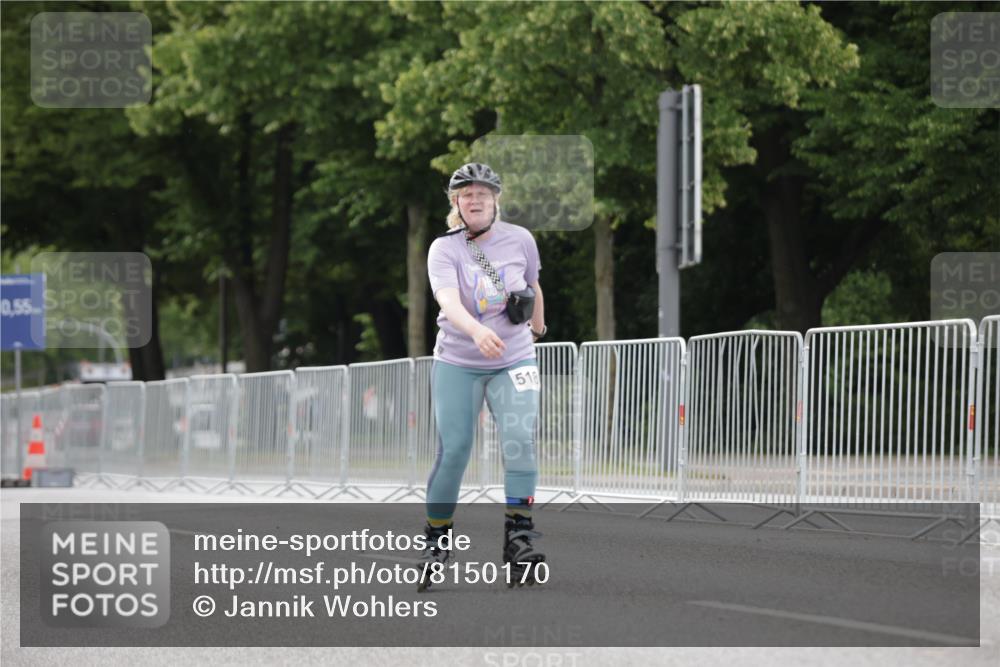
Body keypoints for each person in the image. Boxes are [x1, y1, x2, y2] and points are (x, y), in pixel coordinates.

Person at [418, 162, 547, 590]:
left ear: (496, 200)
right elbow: (449, 302)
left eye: (483, 194)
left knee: (520, 439)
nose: (475, 200)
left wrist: (539, 328)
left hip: (514, 358)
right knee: (455, 450)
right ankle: (437, 538)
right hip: (459, 358)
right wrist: (477, 331)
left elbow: (532, 285)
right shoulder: (444, 248)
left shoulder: (521, 239)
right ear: (457, 203)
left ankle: (520, 537)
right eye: (467, 194)